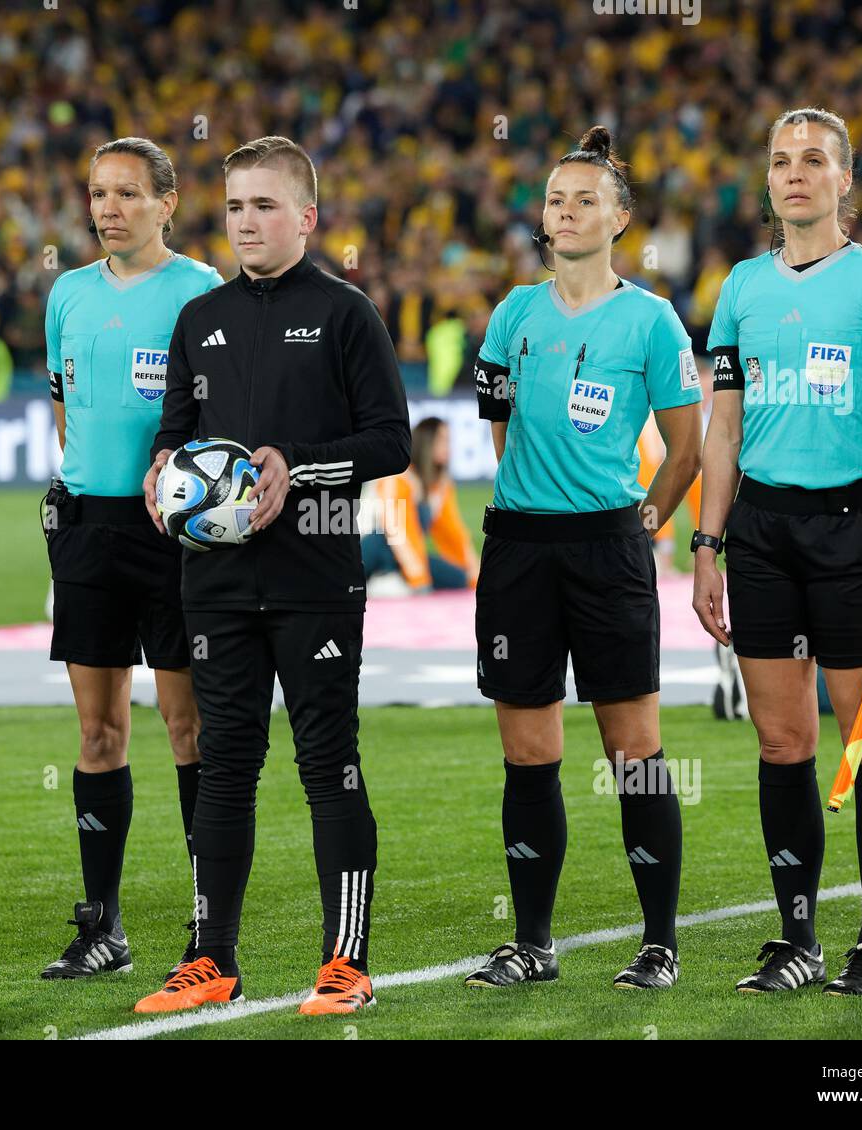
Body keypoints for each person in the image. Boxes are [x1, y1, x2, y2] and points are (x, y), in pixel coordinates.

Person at [134, 136, 410, 1016]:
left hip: (315, 576)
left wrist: (299, 465)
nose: (246, 221)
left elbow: (390, 443)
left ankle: (347, 963)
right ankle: (212, 959)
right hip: (213, 580)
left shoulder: (344, 313)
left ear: (306, 217)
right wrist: (163, 471)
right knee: (224, 768)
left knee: (329, 765)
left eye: (263, 206)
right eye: (235, 207)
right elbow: (175, 428)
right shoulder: (199, 318)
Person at [693, 107, 862, 995]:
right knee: (782, 740)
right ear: (767, 181)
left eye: (814, 161)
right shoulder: (742, 290)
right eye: (781, 161)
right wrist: (708, 546)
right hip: (760, 532)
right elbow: (723, 434)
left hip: (854, 529)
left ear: (843, 180)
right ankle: (796, 940)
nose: (795, 174)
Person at [467, 127, 703, 991]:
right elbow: (501, 436)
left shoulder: (650, 319)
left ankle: (659, 943)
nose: (565, 212)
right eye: (555, 200)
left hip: (609, 547)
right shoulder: (510, 316)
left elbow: (687, 448)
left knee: (633, 747)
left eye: (585, 200)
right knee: (528, 753)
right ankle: (532, 943)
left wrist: (644, 523)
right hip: (520, 547)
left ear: (621, 217)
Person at [39, 138, 222, 980]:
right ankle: (102, 927)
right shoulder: (67, 294)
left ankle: (204, 925)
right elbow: (66, 410)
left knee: (186, 728)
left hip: (171, 535)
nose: (107, 207)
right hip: (87, 531)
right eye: (97, 192)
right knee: (98, 730)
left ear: (165, 203)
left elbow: (221, 418)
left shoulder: (201, 292)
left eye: (125, 194)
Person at [361, 416, 478, 593]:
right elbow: (396, 530)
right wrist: (419, 579)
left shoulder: (440, 485)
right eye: (442, 440)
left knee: (459, 578)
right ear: (427, 442)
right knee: (380, 541)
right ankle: (379, 578)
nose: (448, 447)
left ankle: (392, 580)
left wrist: (474, 575)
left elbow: (452, 532)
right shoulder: (397, 473)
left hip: (404, 555)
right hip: (371, 547)